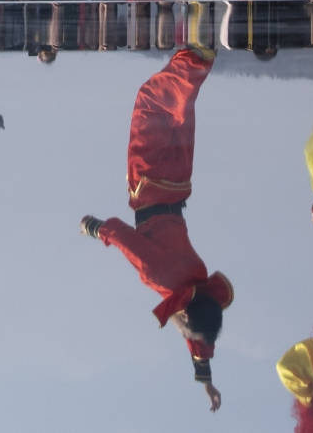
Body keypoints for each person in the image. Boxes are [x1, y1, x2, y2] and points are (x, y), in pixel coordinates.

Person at [80, 46, 233, 412]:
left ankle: (198, 58)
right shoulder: (163, 279)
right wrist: (94, 228)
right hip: (148, 184)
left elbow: (200, 330)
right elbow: (122, 236)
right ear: (182, 311)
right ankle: (195, 56)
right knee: (150, 102)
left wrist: (207, 380)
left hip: (178, 184)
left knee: (178, 115)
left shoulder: (196, 284)